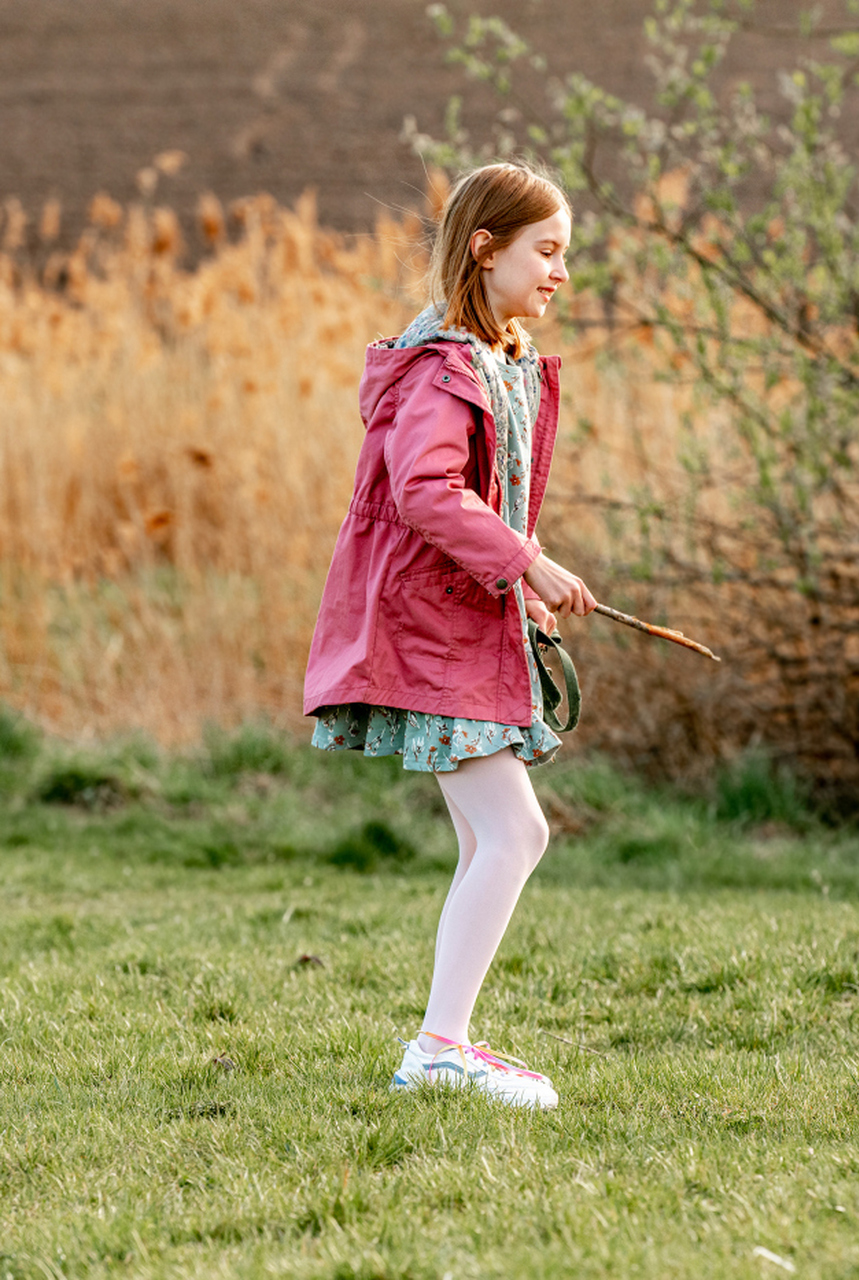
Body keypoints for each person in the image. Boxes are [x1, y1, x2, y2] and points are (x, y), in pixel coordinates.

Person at [303, 162, 597, 1109]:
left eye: (564, 255)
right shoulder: (444, 369)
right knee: (516, 832)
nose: (560, 273)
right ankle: (438, 1050)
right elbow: (426, 491)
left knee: (491, 839)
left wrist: (521, 589)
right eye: (545, 252)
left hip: (459, 629)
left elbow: (473, 501)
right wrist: (528, 562)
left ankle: (444, 1043)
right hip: (428, 639)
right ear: (485, 248)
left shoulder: (494, 362)